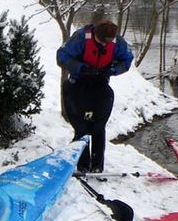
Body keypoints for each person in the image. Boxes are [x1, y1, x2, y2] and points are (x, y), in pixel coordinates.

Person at [56, 19, 134, 173]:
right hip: (78, 83)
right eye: (102, 41)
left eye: (108, 42)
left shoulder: (117, 42)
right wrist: (81, 68)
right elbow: (61, 56)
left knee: (99, 126)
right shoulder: (81, 38)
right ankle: (83, 165)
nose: (105, 45)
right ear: (95, 34)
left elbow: (127, 60)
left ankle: (97, 165)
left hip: (100, 83)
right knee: (81, 126)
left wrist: (113, 70)